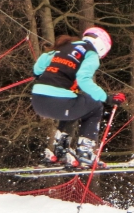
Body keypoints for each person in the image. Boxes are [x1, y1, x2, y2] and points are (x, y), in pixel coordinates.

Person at [30, 27, 125, 168]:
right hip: (59, 104)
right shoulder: (91, 54)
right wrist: (107, 97)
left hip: (38, 102)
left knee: (74, 102)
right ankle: (85, 152)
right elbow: (83, 79)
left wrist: (42, 74)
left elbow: (38, 67)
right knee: (95, 105)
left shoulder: (65, 47)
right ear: (102, 46)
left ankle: (60, 150)